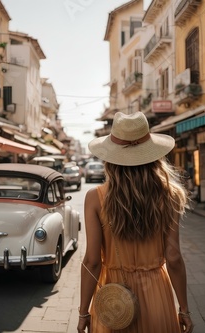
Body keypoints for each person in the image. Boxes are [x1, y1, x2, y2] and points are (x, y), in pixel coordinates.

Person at [77, 112, 193, 333]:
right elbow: (174, 257)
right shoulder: (171, 195)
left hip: (114, 300)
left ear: (110, 158)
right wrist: (184, 309)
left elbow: (92, 262)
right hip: (157, 295)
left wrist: (84, 311)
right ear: (153, 155)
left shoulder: (95, 198)